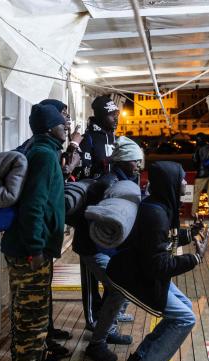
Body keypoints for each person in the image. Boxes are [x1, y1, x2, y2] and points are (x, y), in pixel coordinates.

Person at [107, 161, 209, 361]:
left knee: (184, 308)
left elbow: (160, 242)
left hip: (139, 271)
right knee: (185, 318)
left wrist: (188, 234)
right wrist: (195, 258)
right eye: (182, 178)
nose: (185, 182)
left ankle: (140, 358)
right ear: (170, 182)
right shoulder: (156, 214)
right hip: (133, 277)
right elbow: (158, 266)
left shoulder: (159, 207)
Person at [0, 104, 67, 361]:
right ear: (50, 127)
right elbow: (34, 206)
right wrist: (36, 247)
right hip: (29, 253)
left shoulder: (41, 150)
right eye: (62, 123)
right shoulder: (43, 155)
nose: (66, 127)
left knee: (31, 319)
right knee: (31, 322)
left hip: (29, 249)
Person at [82, 137, 147, 361]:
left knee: (119, 288)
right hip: (96, 247)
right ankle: (97, 343)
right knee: (119, 289)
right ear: (123, 161)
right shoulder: (108, 184)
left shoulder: (125, 180)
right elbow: (100, 219)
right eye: (134, 161)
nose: (138, 165)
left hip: (109, 248)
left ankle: (108, 329)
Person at [74, 95, 120, 330]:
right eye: (112, 114)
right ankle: (93, 315)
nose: (116, 118)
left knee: (114, 261)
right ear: (101, 115)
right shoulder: (89, 139)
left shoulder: (116, 138)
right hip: (92, 211)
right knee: (91, 266)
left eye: (117, 113)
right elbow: (82, 174)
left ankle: (112, 310)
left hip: (113, 211)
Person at [191, 133, 209, 217]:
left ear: (198, 140)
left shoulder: (198, 149)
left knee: (197, 194)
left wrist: (197, 168)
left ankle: (194, 213)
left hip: (201, 174)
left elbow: (194, 161)